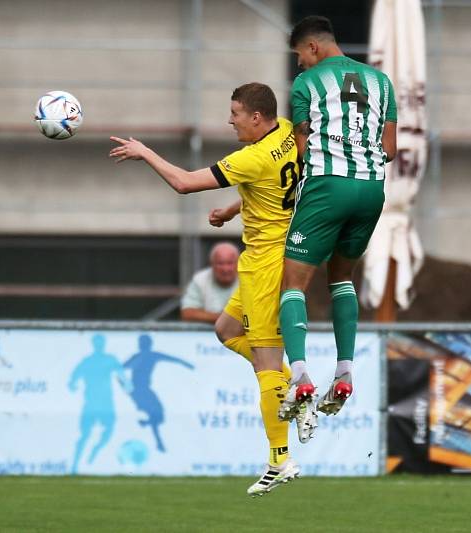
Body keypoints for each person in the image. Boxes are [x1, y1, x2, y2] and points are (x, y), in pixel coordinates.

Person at [110, 82, 313, 496]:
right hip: (263, 258)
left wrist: (145, 152)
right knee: (226, 329)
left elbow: (184, 183)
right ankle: (297, 388)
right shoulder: (288, 132)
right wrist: (235, 207)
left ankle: (280, 457)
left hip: (268, 266)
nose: (229, 119)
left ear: (256, 117)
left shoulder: (251, 156)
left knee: (265, 363)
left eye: (235, 112)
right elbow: (280, 183)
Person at [277, 16, 398, 424]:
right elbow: (391, 148)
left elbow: (299, 146)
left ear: (312, 48)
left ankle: (299, 375)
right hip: (372, 190)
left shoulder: (305, 86)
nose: (299, 66)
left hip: (328, 186)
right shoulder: (381, 82)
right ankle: (345, 370)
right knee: (342, 278)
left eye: (298, 56)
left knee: (293, 283)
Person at [68, 334, 132, 474]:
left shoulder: (110, 360)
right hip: (91, 403)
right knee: (85, 435)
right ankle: (74, 465)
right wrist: (72, 384)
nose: (99, 345)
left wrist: (127, 384)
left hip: (106, 403)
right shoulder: (87, 361)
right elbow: (73, 377)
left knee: (108, 431)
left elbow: (121, 374)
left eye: (101, 343)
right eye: (97, 343)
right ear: (94, 344)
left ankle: (96, 449)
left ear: (103, 344)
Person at [180, 242, 239, 323]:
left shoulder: (248, 280)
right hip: (206, 334)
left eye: (230, 263)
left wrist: (207, 316)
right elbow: (187, 313)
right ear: (212, 264)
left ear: (238, 263)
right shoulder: (199, 280)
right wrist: (228, 318)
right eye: (220, 263)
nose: (225, 269)